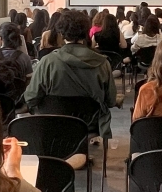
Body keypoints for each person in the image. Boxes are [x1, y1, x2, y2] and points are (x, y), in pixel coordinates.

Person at [24, 10, 118, 139]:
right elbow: (111, 100)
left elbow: (31, 97)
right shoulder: (102, 63)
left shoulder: (48, 62)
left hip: (53, 123)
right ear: (86, 32)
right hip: (90, 125)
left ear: (61, 33)